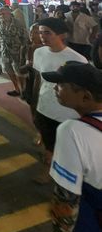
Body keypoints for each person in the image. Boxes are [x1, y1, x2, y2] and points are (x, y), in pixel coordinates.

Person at [39, 62, 102, 232]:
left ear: (86, 96)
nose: (55, 88)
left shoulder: (72, 131)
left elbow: (66, 199)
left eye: (61, 85)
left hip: (92, 228)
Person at [31, 18, 87, 184]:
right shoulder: (39, 53)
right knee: (48, 144)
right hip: (44, 107)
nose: (42, 36)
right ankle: (48, 172)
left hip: (67, 113)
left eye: (47, 32)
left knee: (68, 148)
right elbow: (37, 79)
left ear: (62, 35)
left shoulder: (77, 59)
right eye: (41, 32)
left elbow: (82, 91)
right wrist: (34, 103)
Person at [0, 6, 29, 96]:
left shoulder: (18, 23)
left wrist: (24, 53)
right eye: (0, 14)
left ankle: (23, 90)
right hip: (5, 52)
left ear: (9, 13)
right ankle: (16, 88)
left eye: (3, 13)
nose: (2, 16)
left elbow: (25, 38)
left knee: (19, 71)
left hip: (17, 52)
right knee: (9, 70)